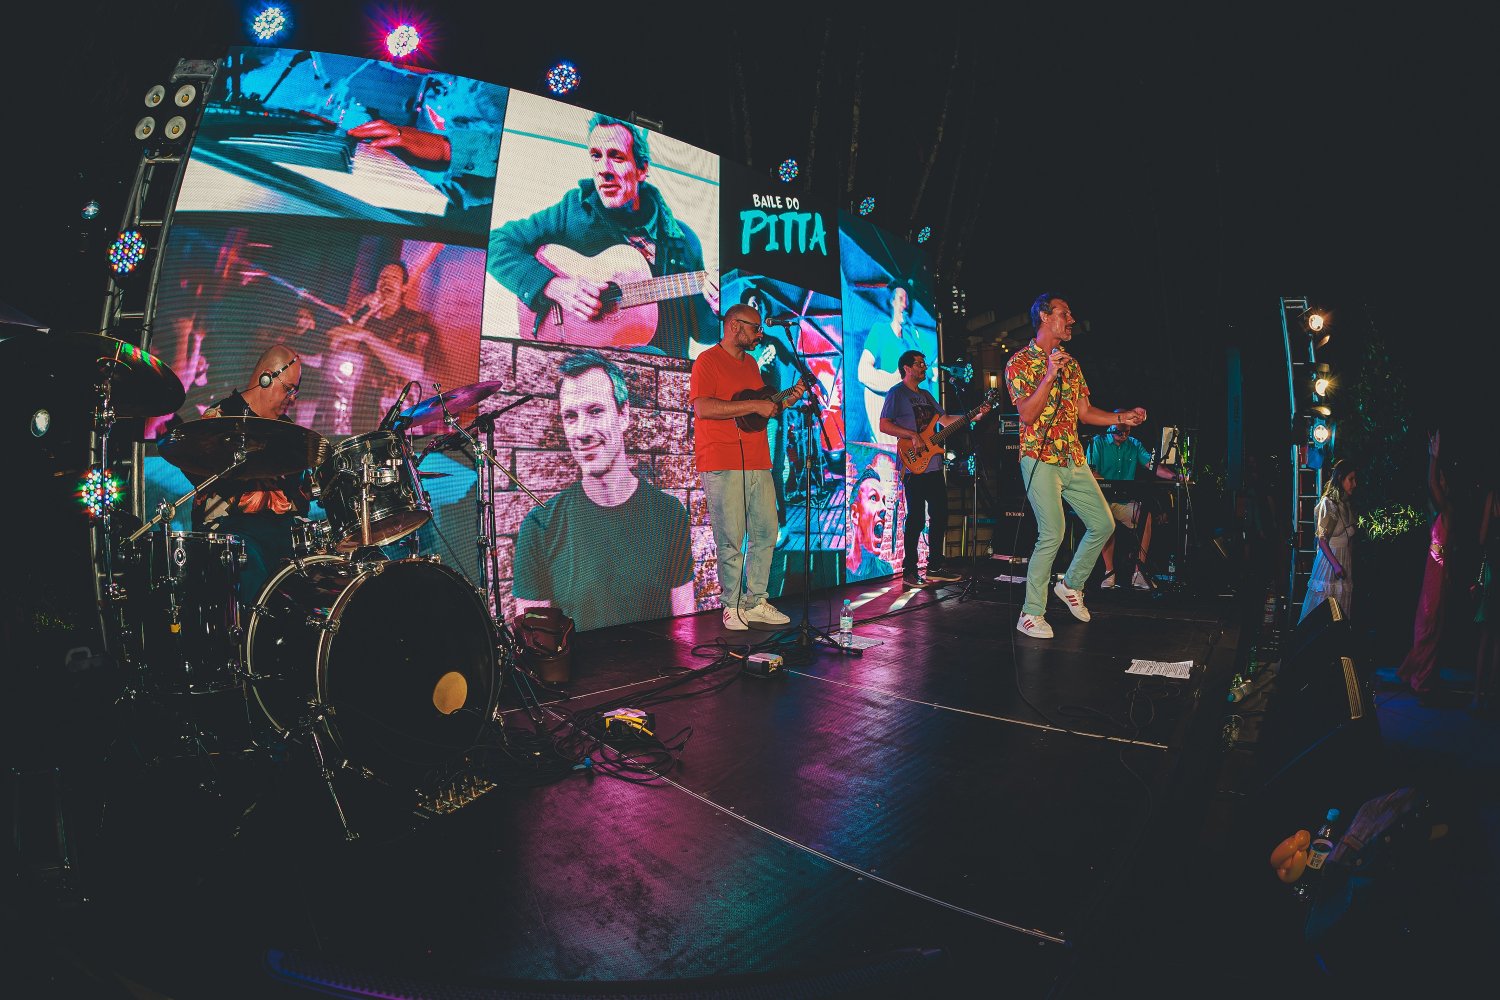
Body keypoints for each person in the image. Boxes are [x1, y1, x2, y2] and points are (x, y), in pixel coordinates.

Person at [486, 113, 719, 357]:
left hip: (662, 369)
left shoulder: (684, 240)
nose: (603, 171)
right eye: (596, 156)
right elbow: (497, 243)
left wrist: (717, 308)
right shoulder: (574, 210)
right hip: (584, 366)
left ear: (642, 169)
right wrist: (553, 286)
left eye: (616, 157)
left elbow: (703, 331)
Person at [512, 350, 694, 633]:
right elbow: (535, 641)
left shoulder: (669, 514)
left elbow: (686, 625)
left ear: (623, 415)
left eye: (595, 411)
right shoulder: (540, 526)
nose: (582, 431)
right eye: (570, 416)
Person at [1005, 294, 1147, 639]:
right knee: (1052, 532)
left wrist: (1121, 418)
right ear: (1044, 316)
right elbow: (1027, 414)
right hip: (1039, 458)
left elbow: (1084, 412)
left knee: (1103, 523)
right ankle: (1030, 613)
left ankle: (1071, 585)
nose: (1071, 320)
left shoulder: (1072, 364)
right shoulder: (1019, 362)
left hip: (1072, 457)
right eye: (1064, 313)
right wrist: (1049, 375)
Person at [691, 304, 806, 630]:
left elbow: (759, 409)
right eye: (755, 328)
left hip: (758, 461)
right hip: (722, 461)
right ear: (734, 326)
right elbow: (703, 408)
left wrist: (788, 398)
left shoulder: (752, 364)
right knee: (731, 540)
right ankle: (732, 606)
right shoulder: (707, 361)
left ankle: (756, 602)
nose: (760, 334)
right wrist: (755, 404)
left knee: (766, 534)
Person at [191, 344, 311, 603]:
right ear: (266, 378)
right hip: (233, 532)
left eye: (295, 392)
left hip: (283, 534)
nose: (292, 398)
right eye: (288, 389)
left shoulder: (289, 432)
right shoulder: (220, 419)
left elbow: (302, 497)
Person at [879, 350, 989, 588]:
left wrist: (973, 416)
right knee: (916, 518)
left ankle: (935, 567)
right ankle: (909, 571)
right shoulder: (897, 393)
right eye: (919, 364)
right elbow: (884, 425)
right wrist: (912, 435)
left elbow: (945, 420)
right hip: (913, 465)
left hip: (934, 465)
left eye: (923, 364)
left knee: (940, 516)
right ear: (906, 368)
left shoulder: (927, 395)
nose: (924, 367)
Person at [324, 260, 434, 436]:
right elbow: (336, 342)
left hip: (397, 411)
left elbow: (413, 369)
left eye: (393, 278)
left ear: (403, 287)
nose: (386, 281)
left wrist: (368, 337)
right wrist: (365, 311)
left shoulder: (414, 320)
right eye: (382, 278)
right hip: (361, 407)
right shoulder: (366, 317)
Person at [1086, 423, 1182, 589]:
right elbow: (1091, 471)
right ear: (1111, 428)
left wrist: (1176, 477)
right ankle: (1109, 573)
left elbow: (1152, 466)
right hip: (1101, 500)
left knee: (1145, 517)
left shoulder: (1134, 444)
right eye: (1120, 431)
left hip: (1123, 501)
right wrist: (1110, 486)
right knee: (1106, 522)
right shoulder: (1097, 442)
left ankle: (1138, 573)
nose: (1123, 434)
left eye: (1127, 431)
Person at [857, 282, 934, 447]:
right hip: (886, 410)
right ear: (892, 302)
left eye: (907, 300)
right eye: (900, 299)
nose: (905, 305)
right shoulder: (880, 330)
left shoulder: (912, 342)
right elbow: (863, 371)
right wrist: (892, 381)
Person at [1298, 459, 1358, 623]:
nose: (1354, 484)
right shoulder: (1329, 504)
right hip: (1330, 563)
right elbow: (1322, 540)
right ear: (1340, 478)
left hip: (1343, 561)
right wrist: (1336, 565)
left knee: (1340, 612)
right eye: (1351, 479)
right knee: (1322, 608)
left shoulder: (1345, 505)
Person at [846, 453, 898, 579]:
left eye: (884, 501)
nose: (884, 508)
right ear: (855, 514)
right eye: (873, 498)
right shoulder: (838, 573)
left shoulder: (886, 571)